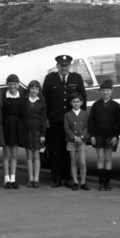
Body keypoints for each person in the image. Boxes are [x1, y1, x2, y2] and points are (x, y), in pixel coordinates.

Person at [42, 53, 87, 187]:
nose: (64, 68)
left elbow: (82, 99)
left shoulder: (76, 78)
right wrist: (46, 119)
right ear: (57, 66)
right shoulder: (50, 78)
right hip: (55, 121)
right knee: (55, 150)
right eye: (61, 66)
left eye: (66, 66)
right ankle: (56, 178)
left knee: (69, 151)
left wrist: (82, 119)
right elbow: (45, 100)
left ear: (70, 66)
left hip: (72, 123)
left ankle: (68, 178)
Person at [88, 79, 120, 191]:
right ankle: (101, 183)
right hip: (98, 135)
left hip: (110, 136)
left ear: (111, 91)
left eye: (107, 90)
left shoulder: (115, 106)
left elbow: (118, 123)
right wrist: (92, 135)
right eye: (103, 90)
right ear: (100, 91)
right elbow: (91, 121)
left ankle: (107, 183)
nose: (105, 92)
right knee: (100, 158)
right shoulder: (96, 105)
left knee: (108, 159)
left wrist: (115, 136)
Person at [22, 79, 47, 188]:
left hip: (37, 131)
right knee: (28, 156)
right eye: (32, 88)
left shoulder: (41, 102)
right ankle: (30, 178)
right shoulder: (24, 101)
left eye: (36, 88)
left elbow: (43, 119)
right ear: (29, 89)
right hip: (27, 131)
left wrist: (43, 134)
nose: (34, 90)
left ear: (39, 90)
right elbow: (22, 117)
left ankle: (36, 179)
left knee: (36, 156)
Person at [1, 73, 25, 189]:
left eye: (14, 84)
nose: (12, 87)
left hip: (16, 126)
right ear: (7, 84)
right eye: (10, 84)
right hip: (6, 125)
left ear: (18, 85)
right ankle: (6, 179)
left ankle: (13, 178)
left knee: (14, 154)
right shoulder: (3, 96)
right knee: (6, 154)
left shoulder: (21, 97)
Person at [64, 92, 90, 190]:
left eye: (78, 102)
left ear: (81, 103)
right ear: (71, 103)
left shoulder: (85, 114)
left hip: (82, 141)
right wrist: (74, 137)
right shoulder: (67, 115)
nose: (76, 104)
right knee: (73, 161)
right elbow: (66, 128)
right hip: (71, 141)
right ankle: (75, 181)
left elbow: (87, 127)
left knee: (82, 161)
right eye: (74, 102)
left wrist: (82, 137)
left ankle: (83, 182)